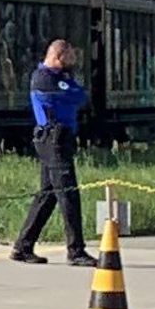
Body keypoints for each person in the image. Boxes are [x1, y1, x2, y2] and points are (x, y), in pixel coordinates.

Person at [10, 37, 90, 264]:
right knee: (68, 194)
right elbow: (73, 95)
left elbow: (81, 97)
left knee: (48, 195)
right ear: (58, 56)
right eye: (70, 58)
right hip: (53, 139)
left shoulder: (61, 78)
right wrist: (72, 91)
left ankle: (22, 247)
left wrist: (73, 91)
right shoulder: (43, 78)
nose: (73, 62)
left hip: (60, 139)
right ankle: (76, 251)